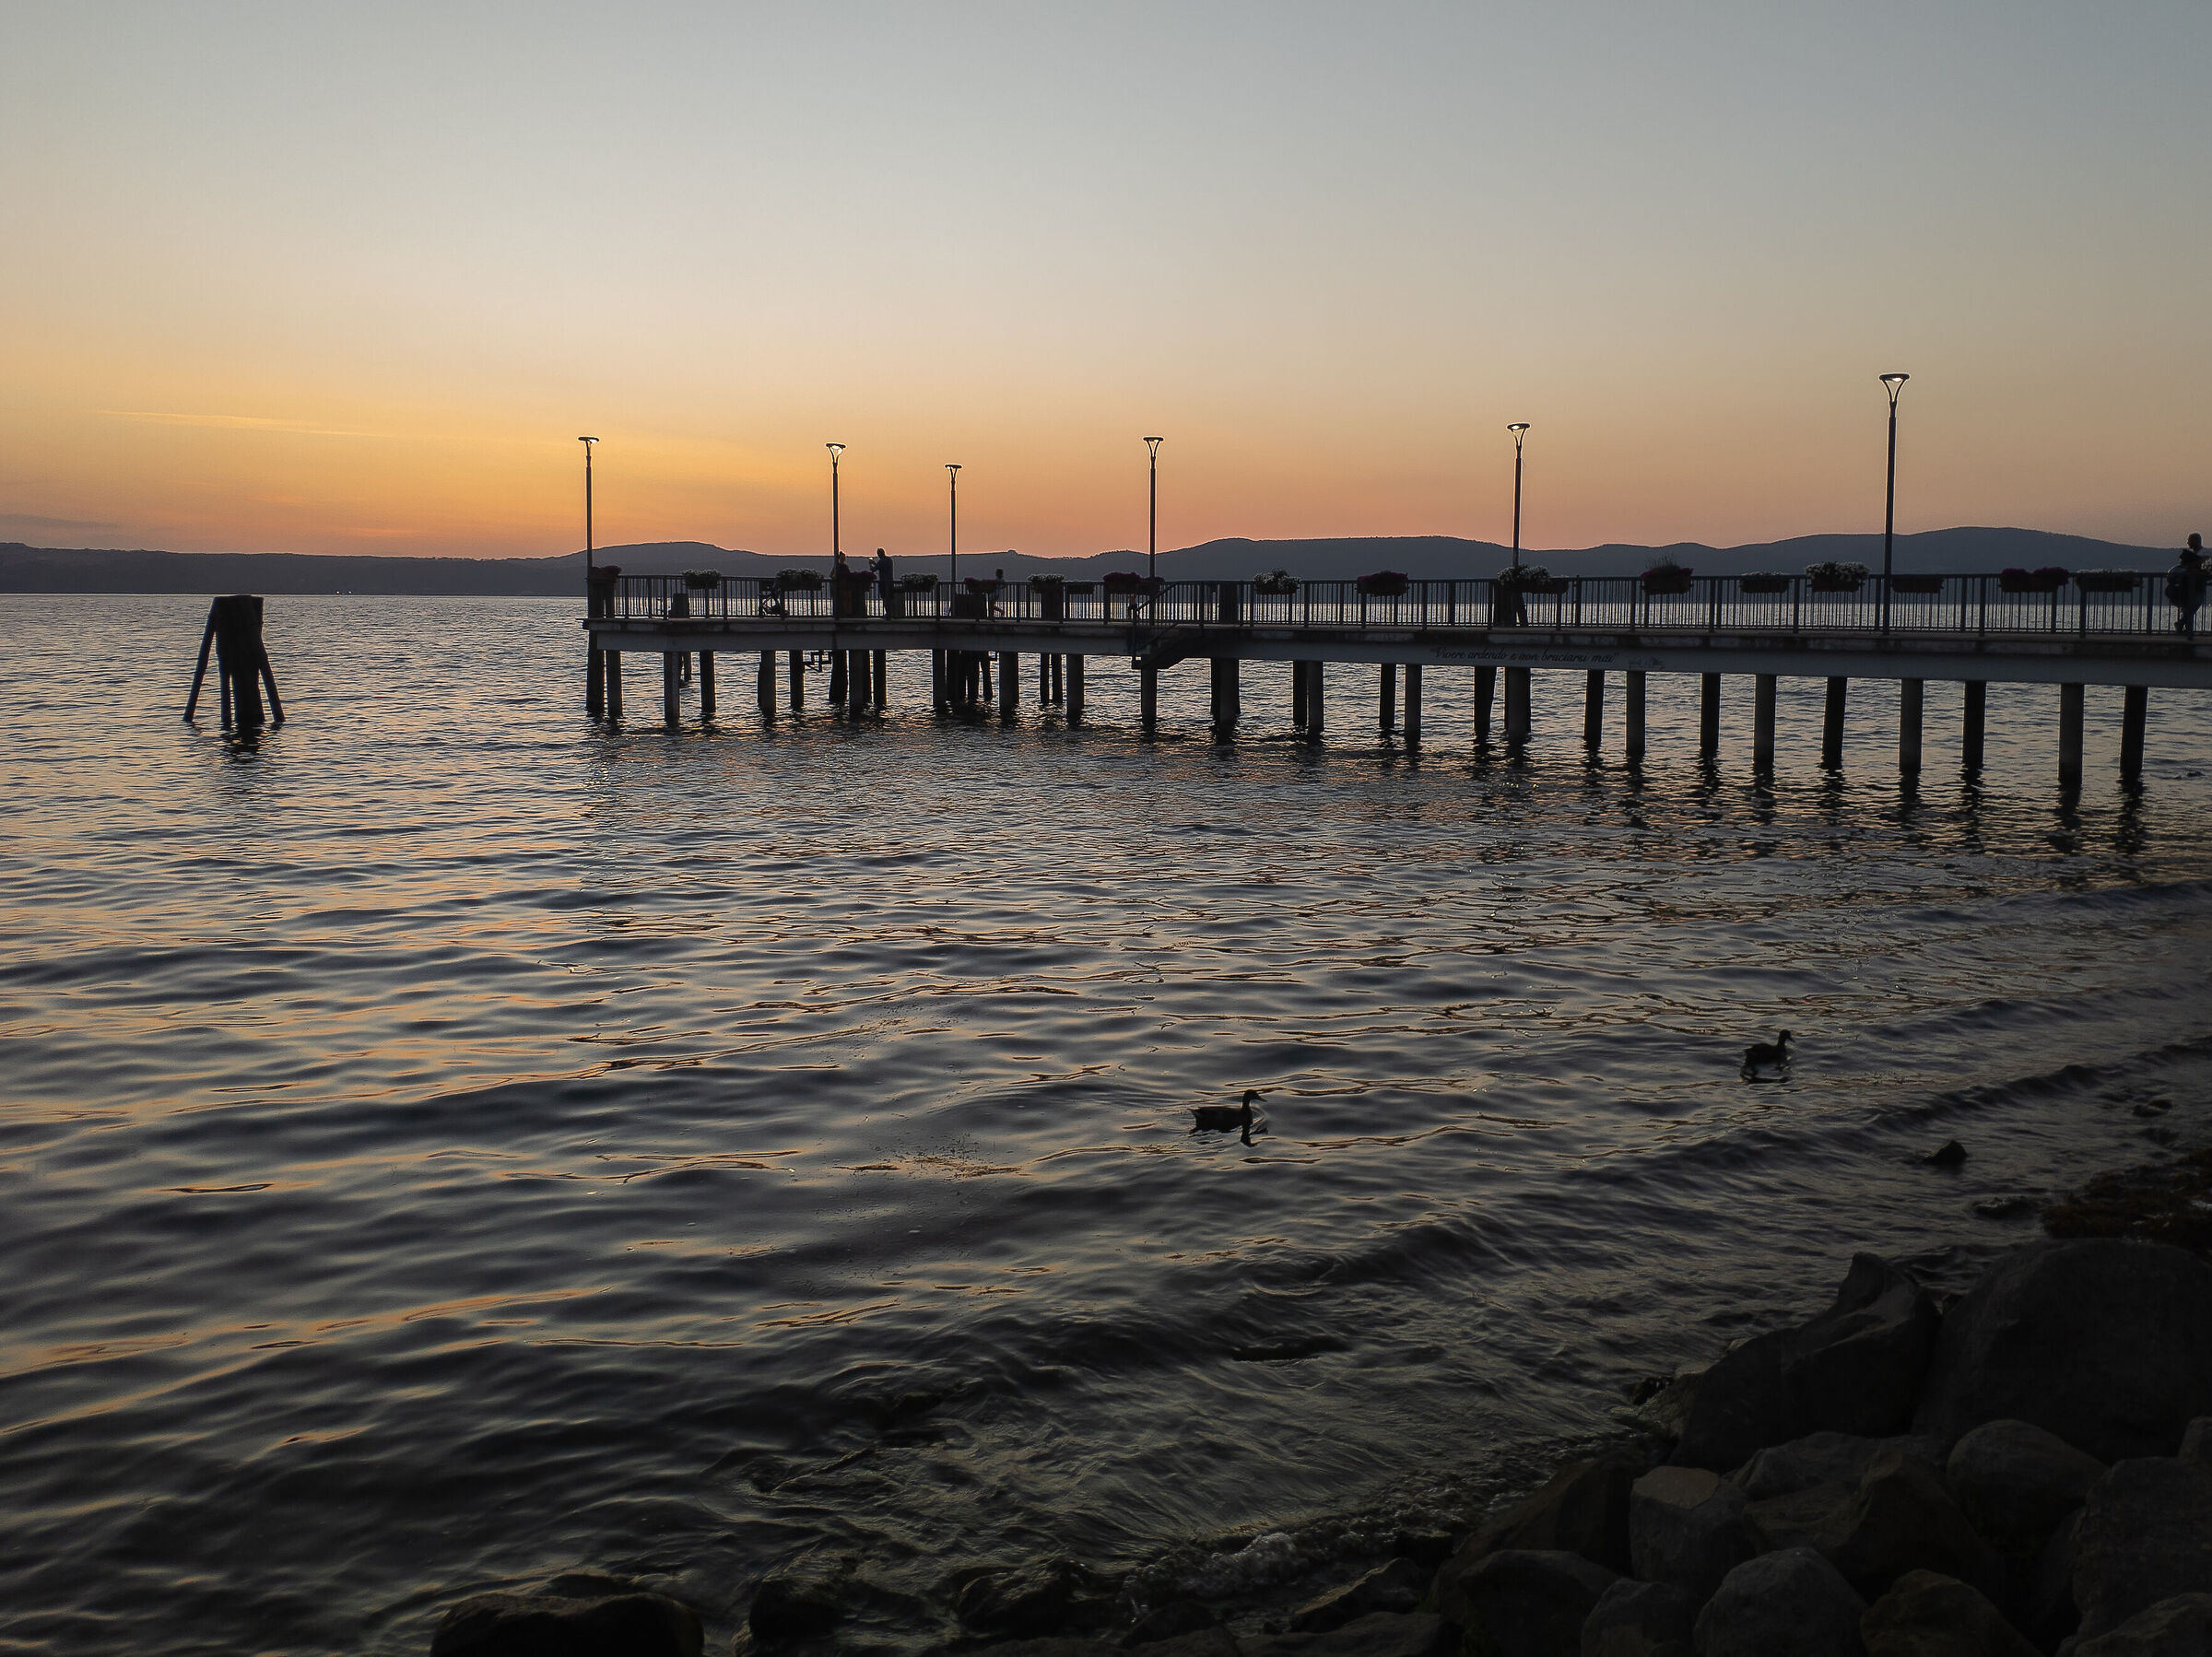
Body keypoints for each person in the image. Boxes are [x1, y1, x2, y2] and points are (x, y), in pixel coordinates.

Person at [2168, 535, 2207, 638]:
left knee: (2192, 606)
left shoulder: (2205, 553)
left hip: (2198, 586)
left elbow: (2206, 565)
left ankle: (2182, 626)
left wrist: (2190, 566)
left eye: (2189, 540)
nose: (2188, 543)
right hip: (2185, 587)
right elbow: (2183, 567)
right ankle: (2184, 628)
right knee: (2189, 608)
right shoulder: (2190, 555)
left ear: (2196, 541)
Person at [874, 547, 898, 617]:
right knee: (891, 598)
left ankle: (888, 614)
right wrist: (876, 564)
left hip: (883, 582)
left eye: (878, 554)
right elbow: (882, 567)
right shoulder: (889, 560)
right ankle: (894, 613)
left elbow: (874, 569)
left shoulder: (881, 561)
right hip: (890, 581)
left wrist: (870, 564)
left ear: (879, 554)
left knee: (885, 598)